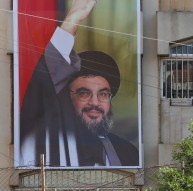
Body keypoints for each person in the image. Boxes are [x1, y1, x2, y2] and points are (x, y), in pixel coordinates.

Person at [18, 0, 138, 167]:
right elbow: (50, 73)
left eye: (103, 94)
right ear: (67, 97)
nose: (94, 103)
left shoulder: (128, 152)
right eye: (84, 93)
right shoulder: (45, 141)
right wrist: (73, 20)